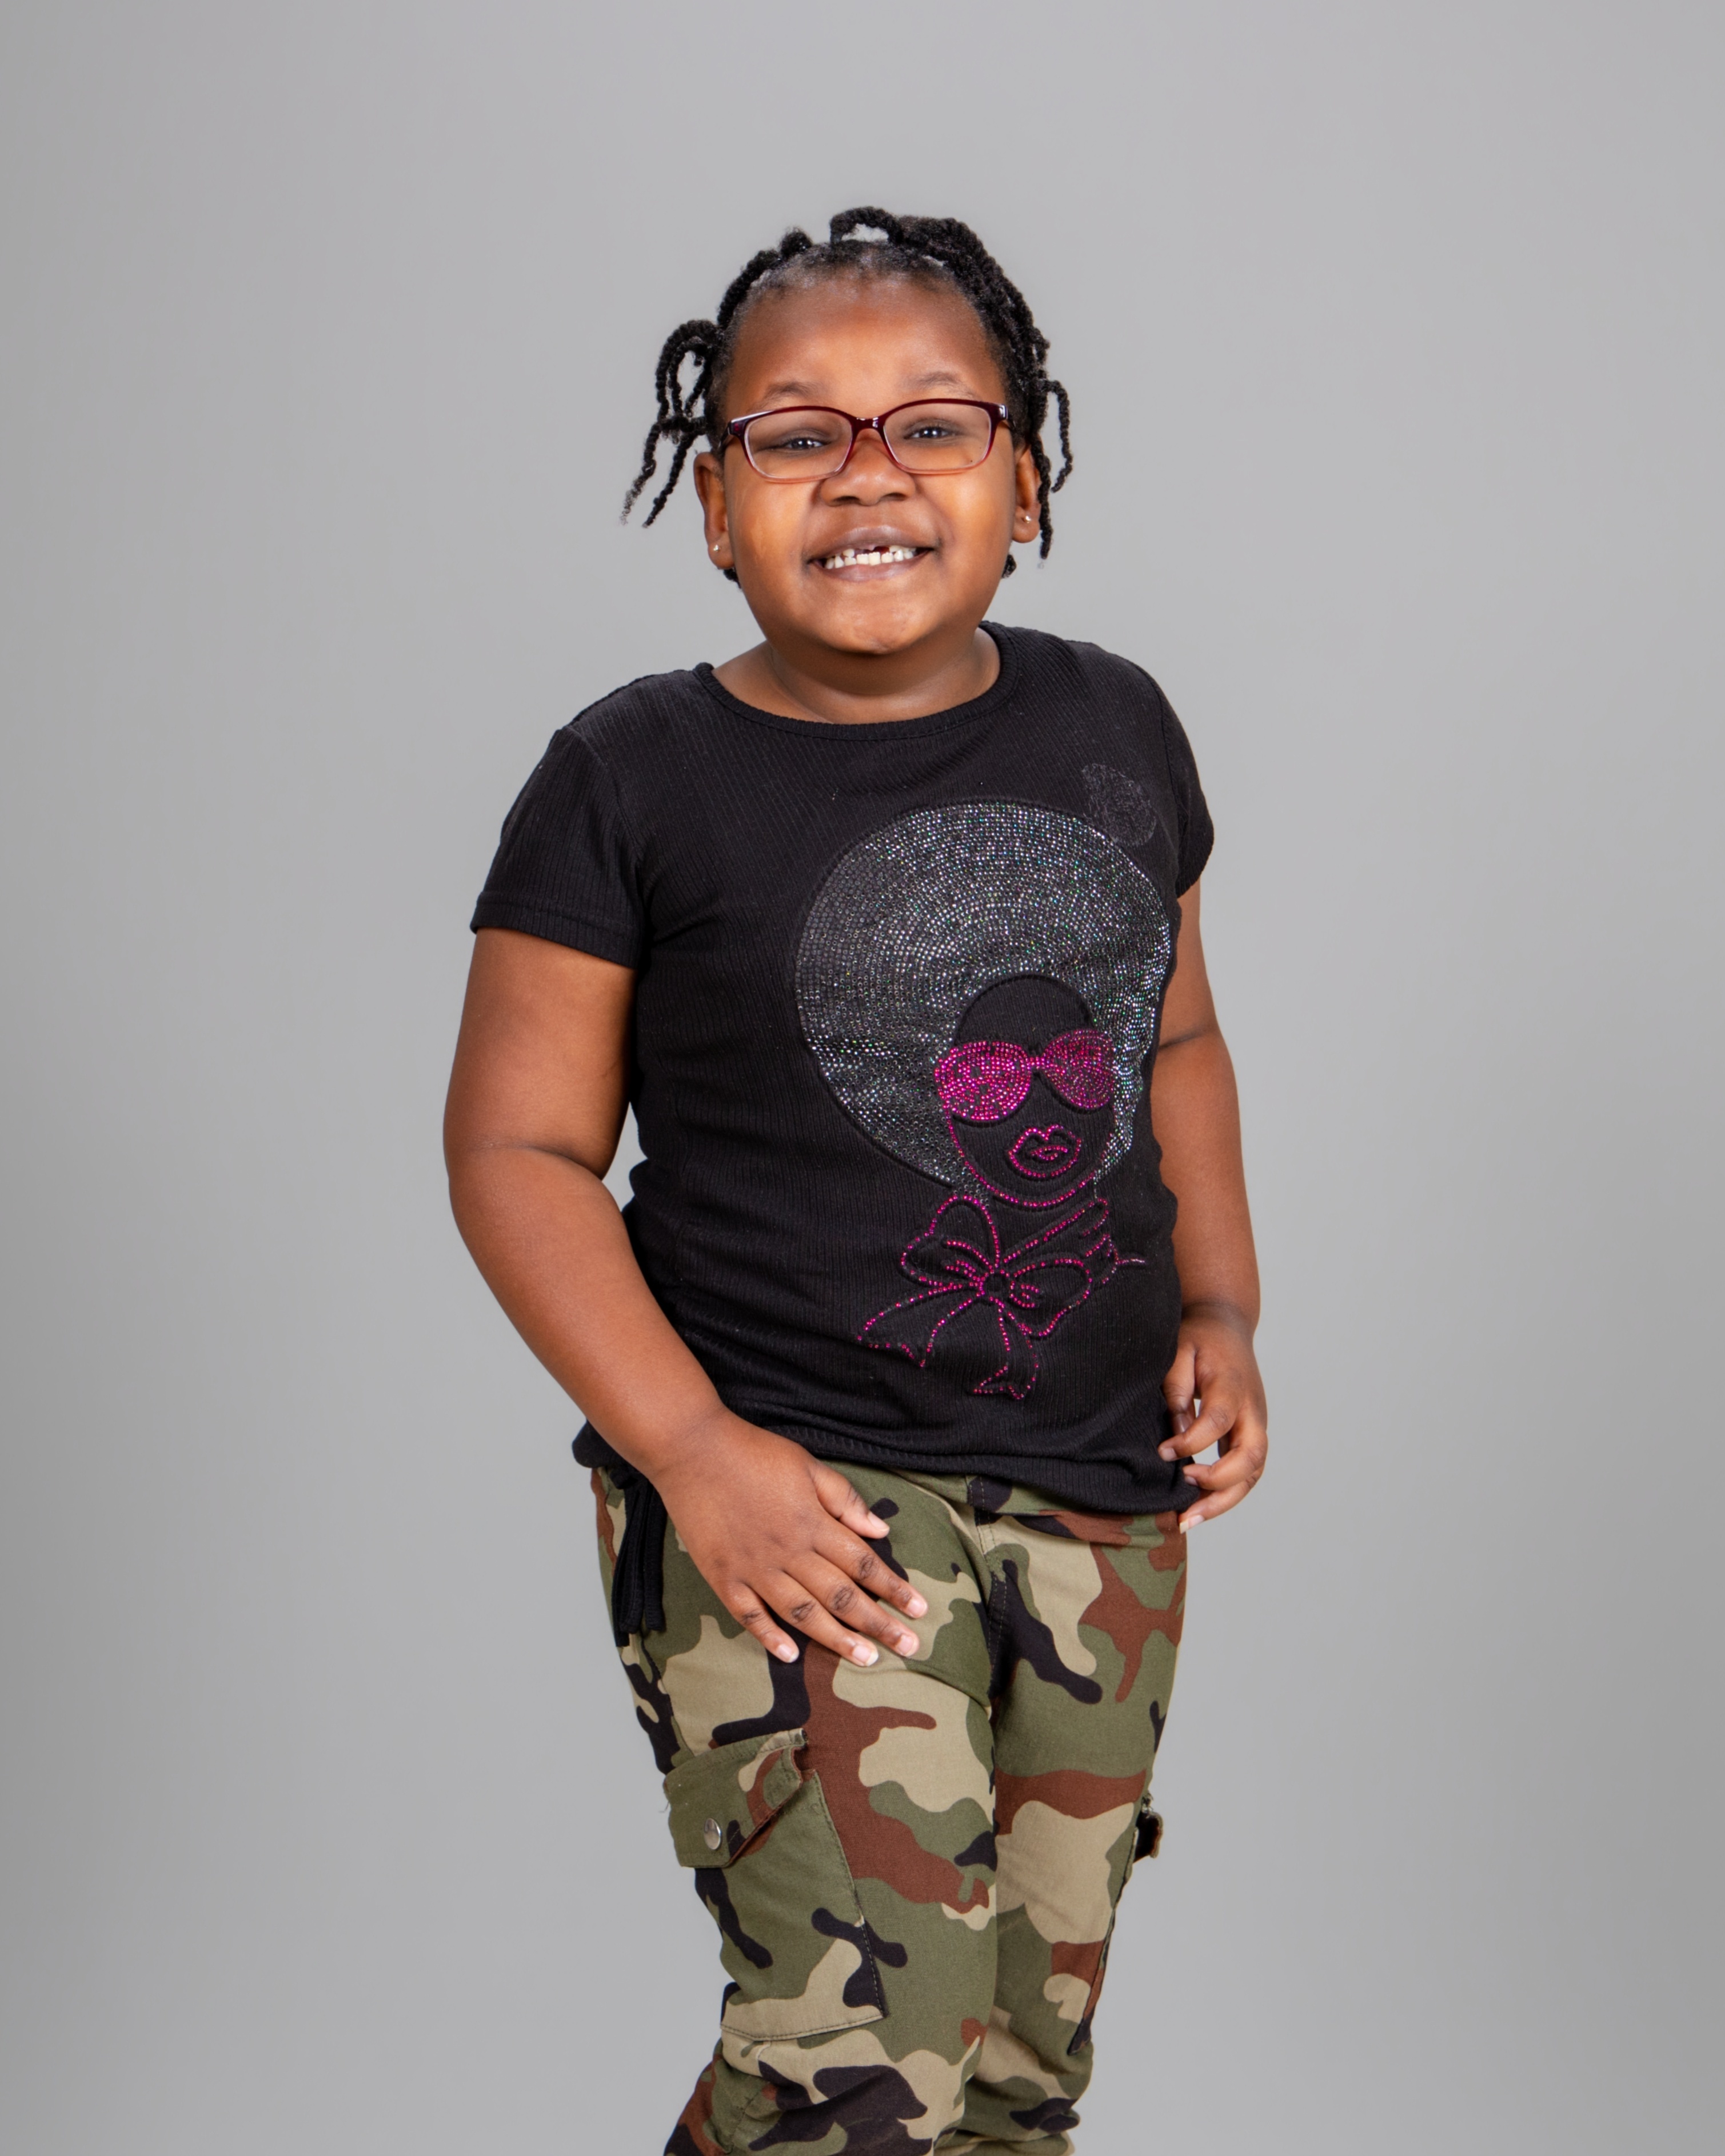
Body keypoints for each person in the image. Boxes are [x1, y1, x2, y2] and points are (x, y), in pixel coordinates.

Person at [444, 207, 1268, 2156]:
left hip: (1098, 1492)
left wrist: (1225, 1307)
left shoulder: (1115, 723)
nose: (868, 473)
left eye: (935, 425)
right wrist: (690, 1454)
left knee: (1013, 2074)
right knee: (858, 2068)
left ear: (1025, 484)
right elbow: (515, 1149)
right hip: (797, 1490)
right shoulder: (628, 776)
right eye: (798, 434)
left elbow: (1172, 1044)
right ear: (715, 508)